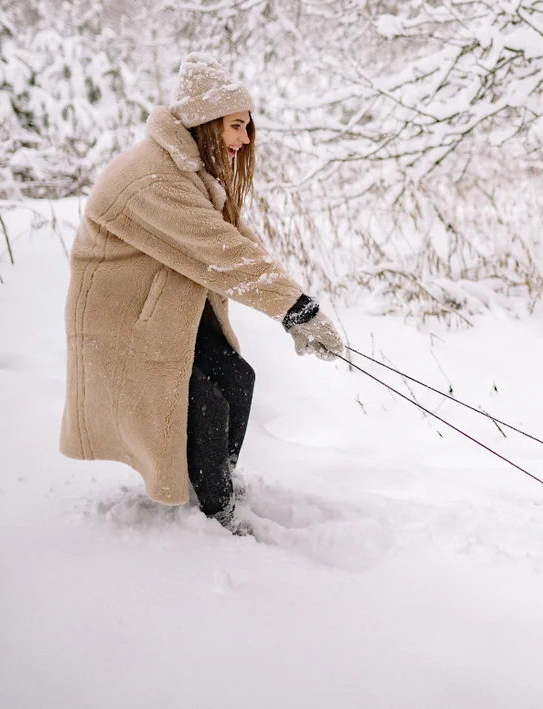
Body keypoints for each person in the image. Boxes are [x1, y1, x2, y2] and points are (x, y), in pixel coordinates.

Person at [60, 53, 344, 535]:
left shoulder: (184, 170)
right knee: (205, 404)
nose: (245, 138)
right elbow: (222, 253)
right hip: (120, 328)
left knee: (237, 378)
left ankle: (212, 483)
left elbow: (234, 238)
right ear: (205, 123)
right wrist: (294, 308)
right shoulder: (151, 177)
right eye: (236, 126)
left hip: (160, 317)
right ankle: (216, 517)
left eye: (247, 127)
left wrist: (299, 309)